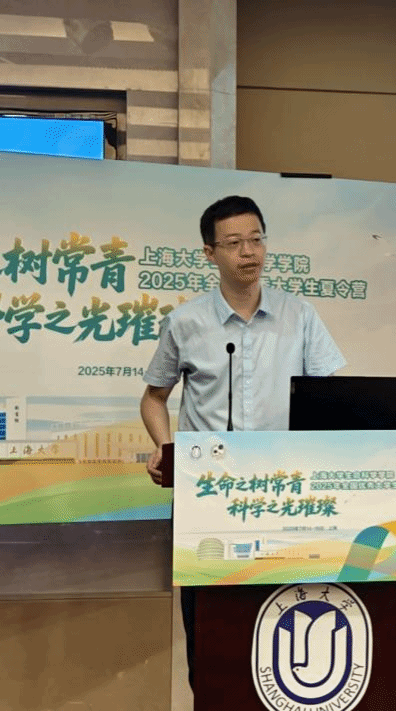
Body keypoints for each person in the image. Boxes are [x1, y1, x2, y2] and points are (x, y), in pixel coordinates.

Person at [139, 195, 346, 687]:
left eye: (256, 240)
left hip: (285, 494)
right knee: (212, 630)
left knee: (282, 618)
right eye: (234, 243)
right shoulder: (186, 322)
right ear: (210, 254)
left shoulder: (299, 316)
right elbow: (153, 398)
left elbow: (332, 396)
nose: (248, 252)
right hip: (209, 493)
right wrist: (165, 446)